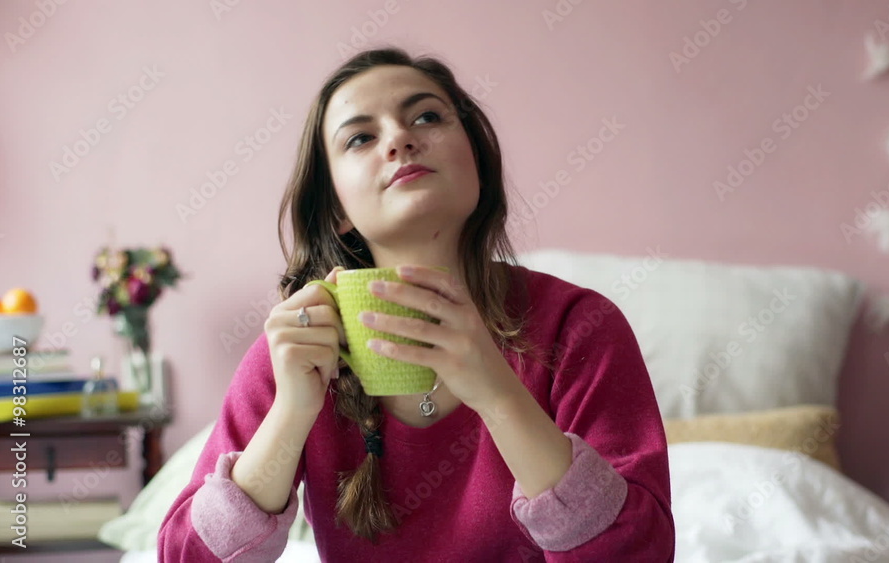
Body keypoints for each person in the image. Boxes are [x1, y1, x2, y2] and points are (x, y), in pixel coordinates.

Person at [158, 46, 675, 562]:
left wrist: (498, 395)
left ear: (474, 158)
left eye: (426, 116)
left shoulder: (579, 326)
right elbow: (184, 556)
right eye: (361, 137)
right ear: (337, 208)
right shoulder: (298, 348)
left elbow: (639, 553)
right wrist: (292, 412)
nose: (400, 139)